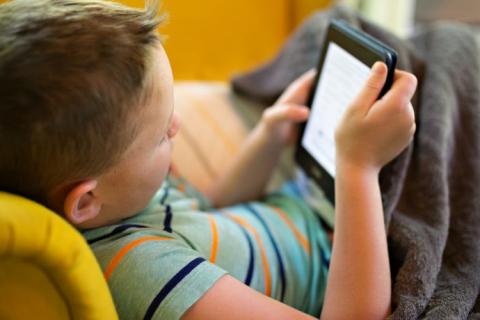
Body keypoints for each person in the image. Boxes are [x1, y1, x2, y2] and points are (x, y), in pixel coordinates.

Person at [0, 0, 416, 319]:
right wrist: (358, 166)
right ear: (85, 201)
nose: (177, 126)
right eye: (162, 133)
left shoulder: (118, 195)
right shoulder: (142, 273)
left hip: (303, 204)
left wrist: (268, 138)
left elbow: (210, 207)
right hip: (350, 267)